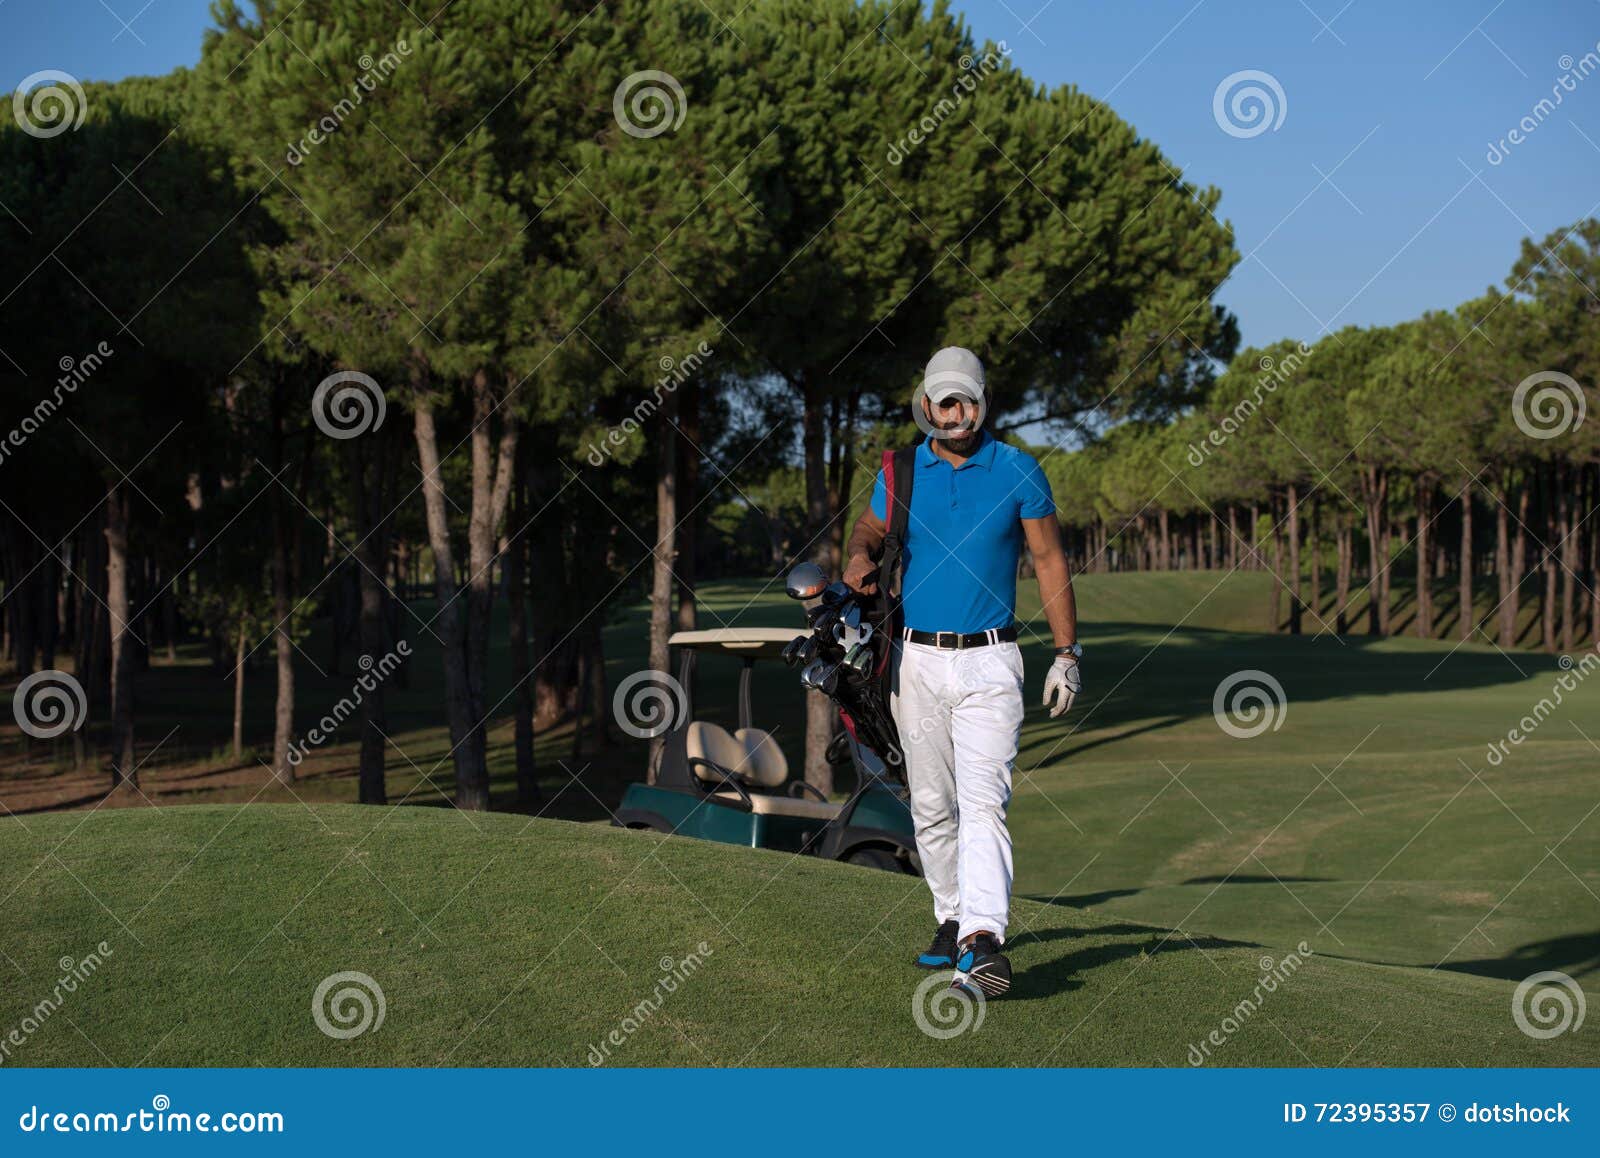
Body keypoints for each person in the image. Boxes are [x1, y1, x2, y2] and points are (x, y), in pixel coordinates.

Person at [842, 346, 1082, 998]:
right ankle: (950, 916)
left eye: (965, 400)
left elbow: (1050, 560)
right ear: (926, 406)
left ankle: (984, 942)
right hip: (916, 661)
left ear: (982, 404)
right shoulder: (900, 470)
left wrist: (1067, 653)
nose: (954, 413)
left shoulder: (1018, 471)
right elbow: (868, 528)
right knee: (930, 807)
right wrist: (860, 557)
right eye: (943, 401)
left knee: (984, 804)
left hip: (990, 661)